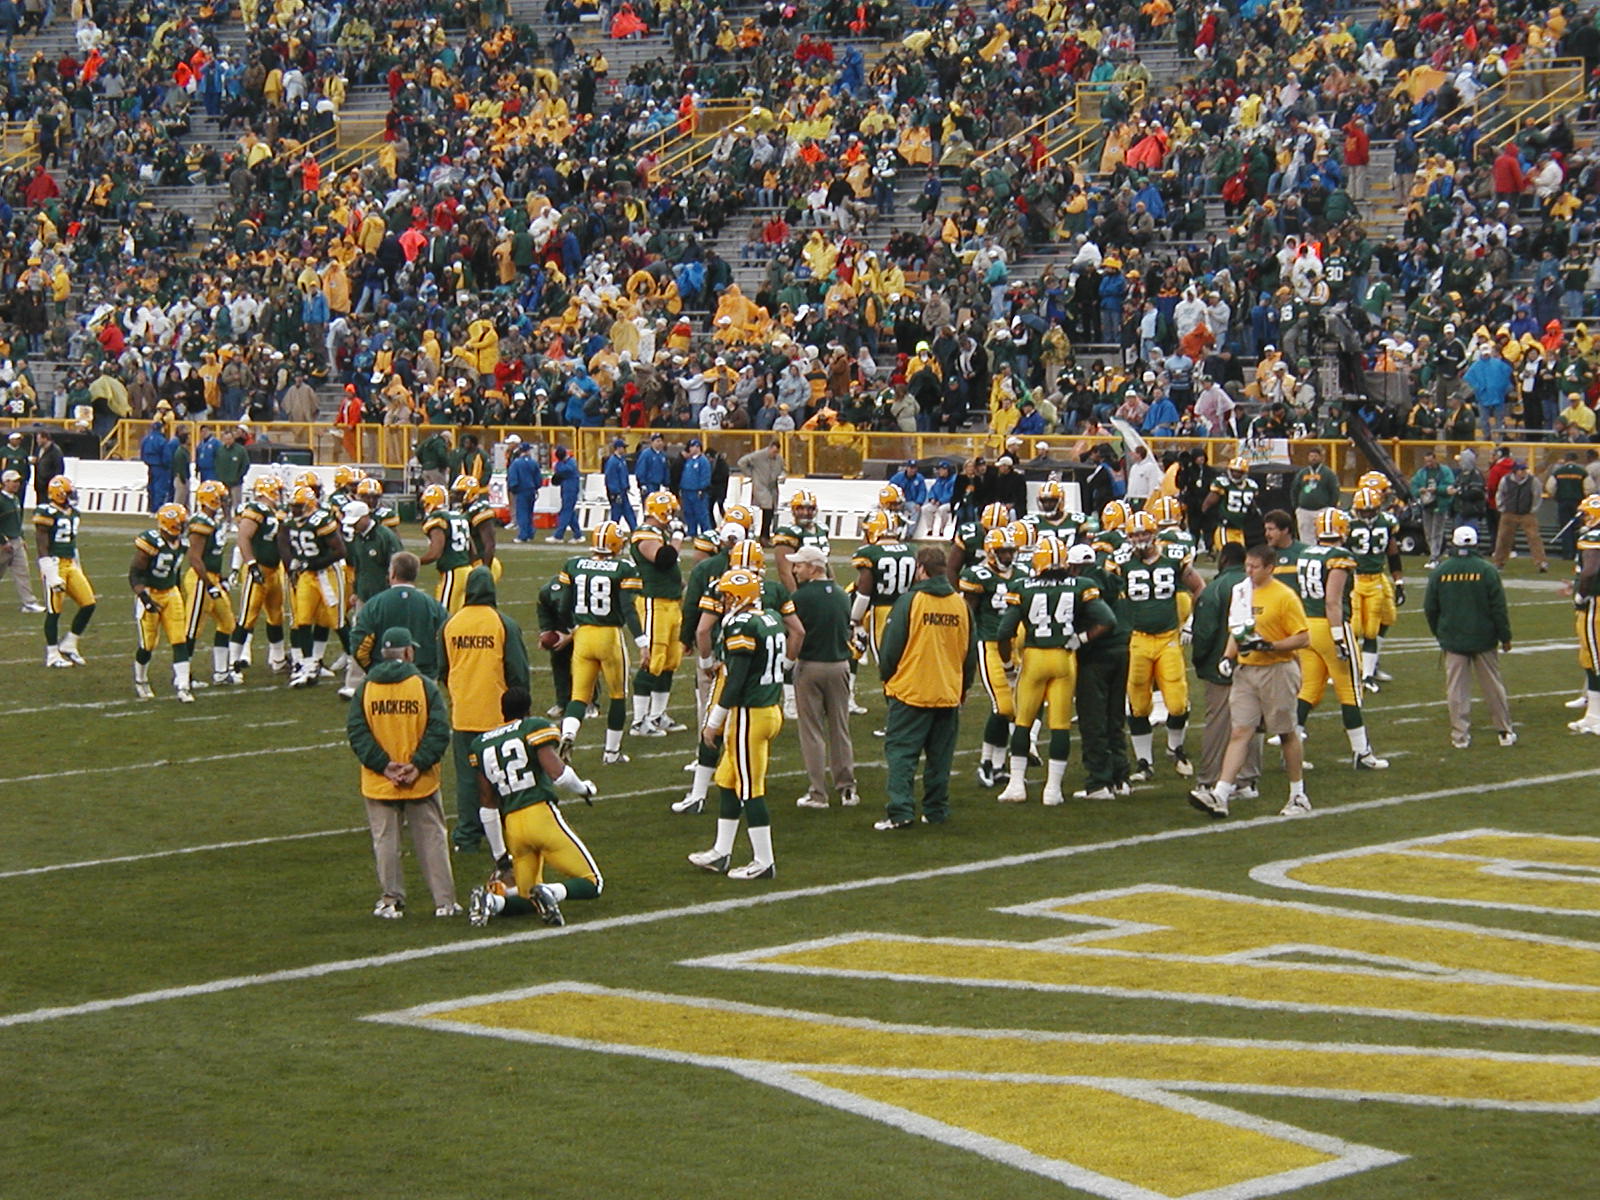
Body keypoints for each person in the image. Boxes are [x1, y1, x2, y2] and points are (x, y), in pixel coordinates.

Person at [1188, 545, 1311, 819]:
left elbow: (1304, 637)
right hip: (1246, 670)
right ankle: (1221, 793)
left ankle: (1298, 794)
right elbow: (1238, 629)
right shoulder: (1241, 591)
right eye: (1247, 566)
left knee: (1286, 732)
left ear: (1270, 568)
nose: (1249, 571)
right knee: (1240, 731)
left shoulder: (1284, 596)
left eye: (1255, 567)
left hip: (1277, 669)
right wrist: (1227, 656)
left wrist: (1271, 645)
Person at [344, 626, 459, 919]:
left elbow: (357, 732)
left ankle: (391, 899)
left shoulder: (366, 687)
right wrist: (417, 764)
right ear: (408, 652)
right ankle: (444, 901)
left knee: (385, 842)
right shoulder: (423, 686)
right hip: (420, 780)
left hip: (379, 781)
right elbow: (438, 730)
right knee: (432, 840)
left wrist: (384, 765)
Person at [467, 686, 602, 928]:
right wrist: (584, 789)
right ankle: (551, 892)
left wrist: (500, 856)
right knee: (592, 882)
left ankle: (493, 902)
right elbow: (559, 775)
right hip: (540, 816)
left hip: (513, 828)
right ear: (528, 710)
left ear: (502, 711)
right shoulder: (532, 728)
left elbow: (487, 805)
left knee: (528, 896)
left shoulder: (482, 743)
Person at [995, 539, 1117, 806]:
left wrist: (1007, 665)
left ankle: (1017, 785)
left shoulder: (1022, 587)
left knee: (1023, 721)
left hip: (1035, 658)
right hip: (1064, 658)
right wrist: (1082, 638)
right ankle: (1052, 790)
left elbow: (1004, 632)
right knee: (1060, 725)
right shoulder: (1080, 585)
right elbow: (1108, 619)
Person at [687, 566, 787, 876]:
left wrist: (714, 720)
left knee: (750, 789)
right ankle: (721, 851)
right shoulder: (770, 617)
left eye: (729, 596)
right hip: (768, 709)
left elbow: (737, 679)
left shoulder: (743, 625)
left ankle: (764, 861)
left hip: (750, 714)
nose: (725, 602)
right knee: (727, 780)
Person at [439, 565, 531, 855]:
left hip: (463, 714)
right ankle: (506, 831)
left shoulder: (450, 624)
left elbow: (442, 668)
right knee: (503, 776)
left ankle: (467, 836)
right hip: (498, 717)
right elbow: (518, 671)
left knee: (468, 781)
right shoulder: (503, 623)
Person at [1290, 509, 1389, 768]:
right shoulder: (1339, 557)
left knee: (1308, 689)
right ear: (1342, 530)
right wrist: (1338, 638)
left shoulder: (1306, 553)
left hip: (1308, 626)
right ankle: (1362, 753)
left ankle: (1291, 752)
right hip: (1330, 627)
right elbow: (1332, 602)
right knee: (1349, 691)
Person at [1118, 510, 1205, 782]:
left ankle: (1175, 748)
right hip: (1138, 639)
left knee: (1177, 702)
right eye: (1134, 535)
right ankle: (1144, 762)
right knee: (1138, 704)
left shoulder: (1173, 558)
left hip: (1168, 638)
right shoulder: (1121, 562)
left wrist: (1191, 622)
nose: (1139, 539)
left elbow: (1199, 587)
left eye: (1144, 533)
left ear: (1154, 533)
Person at [557, 521, 646, 762]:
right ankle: (611, 752)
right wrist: (642, 642)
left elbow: (563, 606)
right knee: (618, 695)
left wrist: (570, 629)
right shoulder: (624, 568)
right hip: (609, 637)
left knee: (579, 696)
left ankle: (568, 733)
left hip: (583, 636)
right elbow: (628, 609)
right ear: (616, 544)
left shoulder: (574, 564)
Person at [1425, 526, 1517, 749]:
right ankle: (1504, 731)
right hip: (1484, 638)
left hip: (1453, 638)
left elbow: (1430, 607)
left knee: (1457, 689)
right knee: (1493, 687)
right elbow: (1498, 608)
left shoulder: (1441, 571)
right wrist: (1505, 636)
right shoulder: (1486, 570)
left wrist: (1441, 632)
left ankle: (1460, 736)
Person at [1187, 543, 1261, 799]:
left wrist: (1200, 660)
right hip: (1255, 662)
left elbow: (1205, 632)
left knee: (1219, 724)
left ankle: (1210, 778)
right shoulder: (1259, 586)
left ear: (1224, 559)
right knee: (1250, 722)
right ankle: (1247, 779)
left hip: (1222, 665)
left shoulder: (1216, 589)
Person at [788, 544, 857, 809]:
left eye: (800, 565)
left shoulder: (800, 597)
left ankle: (818, 793)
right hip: (840, 666)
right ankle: (847, 788)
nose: (795, 569)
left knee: (812, 732)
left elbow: (794, 632)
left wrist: (788, 662)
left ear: (813, 567)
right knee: (840, 729)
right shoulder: (841, 594)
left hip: (811, 666)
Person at [960, 526, 1023, 790]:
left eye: (1010, 551)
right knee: (1003, 706)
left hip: (1016, 646)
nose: (1007, 556)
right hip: (989, 644)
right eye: (1002, 551)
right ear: (990, 552)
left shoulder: (1022, 573)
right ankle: (985, 762)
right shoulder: (977, 575)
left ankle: (998, 766)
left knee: (1012, 708)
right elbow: (967, 614)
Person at [629, 489, 688, 738]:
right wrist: (677, 538)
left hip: (670, 602)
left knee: (669, 661)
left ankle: (657, 715)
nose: (673, 515)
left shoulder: (657, 533)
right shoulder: (645, 534)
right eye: (670, 510)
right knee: (652, 660)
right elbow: (664, 558)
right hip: (654, 602)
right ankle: (639, 721)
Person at [278, 483, 347, 688]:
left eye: (298, 506)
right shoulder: (290, 522)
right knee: (303, 620)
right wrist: (292, 564)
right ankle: (309, 667)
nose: (293, 510)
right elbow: (283, 541)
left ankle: (356, 663)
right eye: (293, 506)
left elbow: (340, 551)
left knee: (337, 621)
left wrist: (311, 564)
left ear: (309, 506)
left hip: (327, 574)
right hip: (306, 575)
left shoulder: (321, 520)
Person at [129, 503, 196, 702]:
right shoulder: (151, 542)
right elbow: (135, 574)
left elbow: (175, 571)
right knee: (148, 644)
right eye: (181, 522)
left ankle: (183, 686)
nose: (184, 526)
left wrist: (179, 592)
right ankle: (141, 680)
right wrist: (145, 599)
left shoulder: (182, 544)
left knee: (179, 639)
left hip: (171, 592)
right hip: (150, 593)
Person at [339, 500, 405, 699]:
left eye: (355, 521)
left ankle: (394, 678)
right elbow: (359, 568)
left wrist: (393, 592)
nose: (353, 526)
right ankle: (354, 682)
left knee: (388, 639)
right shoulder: (358, 538)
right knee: (359, 637)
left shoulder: (385, 536)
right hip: (364, 596)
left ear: (366, 517)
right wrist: (356, 591)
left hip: (384, 596)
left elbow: (397, 565)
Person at [350, 551, 449, 680]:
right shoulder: (433, 606)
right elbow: (445, 639)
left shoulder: (374, 605)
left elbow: (360, 643)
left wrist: (372, 668)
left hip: (384, 675)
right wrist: (434, 668)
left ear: (393, 573)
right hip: (423, 676)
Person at [34, 474, 95, 667]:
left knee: (88, 604)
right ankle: (52, 654)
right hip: (54, 563)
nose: (71, 496)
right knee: (54, 611)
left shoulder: (73, 512)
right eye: (68, 492)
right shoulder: (46, 511)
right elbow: (41, 544)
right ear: (58, 494)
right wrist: (50, 572)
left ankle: (69, 643)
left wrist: (78, 565)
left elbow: (72, 543)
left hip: (70, 563)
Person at [230, 476, 289, 675]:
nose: (280, 495)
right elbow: (243, 537)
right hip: (259, 570)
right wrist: (251, 564)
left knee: (276, 615)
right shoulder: (255, 510)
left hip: (274, 571)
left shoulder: (276, 512)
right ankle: (232, 665)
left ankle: (278, 660)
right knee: (247, 617)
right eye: (277, 491)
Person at [183, 481, 240, 686]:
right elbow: (195, 558)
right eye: (221, 498)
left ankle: (221, 673)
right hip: (201, 580)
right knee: (192, 629)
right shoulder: (201, 523)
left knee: (227, 623)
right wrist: (209, 584)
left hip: (212, 578)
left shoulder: (213, 521)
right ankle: (183, 676)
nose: (225, 502)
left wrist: (220, 578)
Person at [1563, 495, 1600, 735]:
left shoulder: (1593, 537)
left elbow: (1590, 571)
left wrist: (1581, 594)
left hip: (1595, 604)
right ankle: (1592, 715)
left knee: (1594, 659)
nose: (1583, 518)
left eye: (1586, 514)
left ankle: (1596, 716)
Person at [418, 484, 473, 613]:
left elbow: (435, 553)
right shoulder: (458, 516)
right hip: (467, 570)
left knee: (443, 614)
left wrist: (414, 561)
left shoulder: (438, 518)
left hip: (452, 572)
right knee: (458, 613)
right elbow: (472, 549)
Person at [1492, 459, 1548, 572]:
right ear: (1515, 471)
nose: (1523, 472)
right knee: (1503, 538)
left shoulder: (1533, 481)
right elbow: (1500, 493)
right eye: (1521, 470)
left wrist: (1533, 509)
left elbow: (1537, 495)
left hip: (1527, 514)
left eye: (1524, 469)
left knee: (1534, 538)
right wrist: (1501, 507)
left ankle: (1541, 563)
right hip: (1509, 513)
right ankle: (1499, 562)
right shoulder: (1506, 480)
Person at [0, 469, 41, 612]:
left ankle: (29, 603)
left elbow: (17, 521)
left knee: (23, 572)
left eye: (18, 481)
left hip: (16, 541)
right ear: (5, 482)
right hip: (4, 544)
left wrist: (21, 537)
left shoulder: (15, 499)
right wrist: (3, 541)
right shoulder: (1, 500)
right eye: (14, 481)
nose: (17, 484)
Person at [1203, 456, 1259, 549]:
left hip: (1240, 529)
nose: (1235, 474)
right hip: (1225, 528)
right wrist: (1214, 520)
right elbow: (1207, 504)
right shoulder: (1223, 484)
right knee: (1227, 552)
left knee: (1239, 554)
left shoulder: (1251, 486)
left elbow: (1252, 506)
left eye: (1239, 472)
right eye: (1233, 471)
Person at [1411, 451, 1456, 566]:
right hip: (1426, 505)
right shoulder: (1421, 473)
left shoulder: (1444, 471)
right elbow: (1414, 486)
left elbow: (1450, 486)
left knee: (1437, 532)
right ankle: (1433, 554)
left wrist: (1437, 489)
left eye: (1430, 461)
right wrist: (1419, 491)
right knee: (1428, 532)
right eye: (1426, 462)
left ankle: (1434, 557)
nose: (1429, 464)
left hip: (1440, 505)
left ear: (1435, 459)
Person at [737, 440, 786, 540]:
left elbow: (783, 469)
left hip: (772, 487)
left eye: (776, 452)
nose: (774, 454)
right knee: (767, 508)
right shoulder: (758, 456)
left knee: (771, 511)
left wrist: (782, 476)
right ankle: (764, 536)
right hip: (761, 486)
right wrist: (750, 474)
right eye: (773, 452)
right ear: (769, 448)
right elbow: (741, 462)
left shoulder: (779, 459)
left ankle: (765, 534)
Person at [1290, 447, 1340, 543]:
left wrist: (1330, 507)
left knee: (1323, 535)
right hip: (1304, 510)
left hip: (1322, 510)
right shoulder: (1303, 472)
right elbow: (1294, 489)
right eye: (1311, 456)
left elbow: (1334, 490)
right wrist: (1296, 506)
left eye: (1315, 456)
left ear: (1321, 458)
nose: (1313, 458)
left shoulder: (1327, 473)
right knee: (1305, 538)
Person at [1547, 450, 1589, 560]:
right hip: (1578, 503)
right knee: (1577, 527)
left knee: (1565, 527)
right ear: (1576, 460)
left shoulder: (1558, 472)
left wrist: (1556, 495)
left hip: (1563, 502)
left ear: (1565, 460)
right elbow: (1589, 488)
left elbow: (1550, 487)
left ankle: (1567, 553)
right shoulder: (1582, 472)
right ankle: (1577, 552)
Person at [506, 440, 541, 544]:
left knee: (522, 513)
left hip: (521, 490)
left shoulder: (516, 463)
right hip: (531, 490)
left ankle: (523, 535)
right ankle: (530, 533)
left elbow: (513, 478)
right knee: (529, 513)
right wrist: (536, 487)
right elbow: (538, 478)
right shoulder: (533, 463)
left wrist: (513, 488)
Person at [213, 426, 250, 518]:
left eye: (230, 439)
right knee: (224, 503)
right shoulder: (220, 450)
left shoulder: (240, 450)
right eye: (226, 439)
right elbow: (216, 464)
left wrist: (239, 476)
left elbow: (245, 464)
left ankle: (238, 520)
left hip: (236, 482)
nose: (228, 441)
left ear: (233, 439)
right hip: (223, 482)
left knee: (237, 503)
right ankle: (227, 519)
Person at [679, 437, 712, 535]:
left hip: (697, 491)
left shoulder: (703, 461)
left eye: (697, 446)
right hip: (686, 490)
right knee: (688, 513)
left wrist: (702, 488)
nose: (694, 448)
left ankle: (706, 533)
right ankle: (691, 532)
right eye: (692, 446)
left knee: (701, 513)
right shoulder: (688, 461)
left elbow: (705, 476)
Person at [887, 459, 929, 538]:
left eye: (914, 468)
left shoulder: (919, 478)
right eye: (911, 468)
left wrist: (919, 503)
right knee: (894, 512)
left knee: (916, 510)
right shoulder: (898, 477)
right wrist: (894, 502)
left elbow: (922, 491)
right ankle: (895, 533)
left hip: (911, 502)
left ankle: (909, 534)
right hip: (899, 501)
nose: (912, 470)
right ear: (907, 468)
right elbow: (891, 488)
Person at [603, 437, 638, 530]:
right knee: (616, 516)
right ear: (618, 448)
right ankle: (612, 532)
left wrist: (627, 486)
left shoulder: (621, 460)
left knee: (629, 513)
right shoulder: (613, 462)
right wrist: (615, 492)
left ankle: (635, 531)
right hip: (617, 493)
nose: (625, 449)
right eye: (623, 447)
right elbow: (610, 478)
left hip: (623, 492)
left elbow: (624, 475)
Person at [549, 445, 582, 543]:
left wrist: (559, 468)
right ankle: (578, 535)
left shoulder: (570, 463)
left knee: (566, 512)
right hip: (566, 490)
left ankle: (558, 535)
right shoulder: (567, 463)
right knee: (570, 512)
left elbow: (561, 470)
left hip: (571, 490)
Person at [141, 421, 174, 512]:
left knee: (151, 487)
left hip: (150, 466)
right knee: (160, 488)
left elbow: (142, 453)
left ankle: (150, 507)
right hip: (161, 467)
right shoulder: (161, 440)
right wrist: (168, 466)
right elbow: (166, 456)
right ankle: (157, 509)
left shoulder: (146, 439)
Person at [32, 430, 63, 505]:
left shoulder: (55, 450)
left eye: (38, 439)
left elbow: (59, 467)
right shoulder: (39, 449)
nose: (37, 441)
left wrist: (55, 482)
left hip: (49, 483)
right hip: (39, 483)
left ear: (45, 439)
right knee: (40, 504)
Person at [170, 428, 192, 512]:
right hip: (181, 479)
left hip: (184, 478)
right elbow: (180, 467)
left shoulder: (184, 451)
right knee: (179, 500)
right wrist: (183, 479)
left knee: (185, 500)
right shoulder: (180, 452)